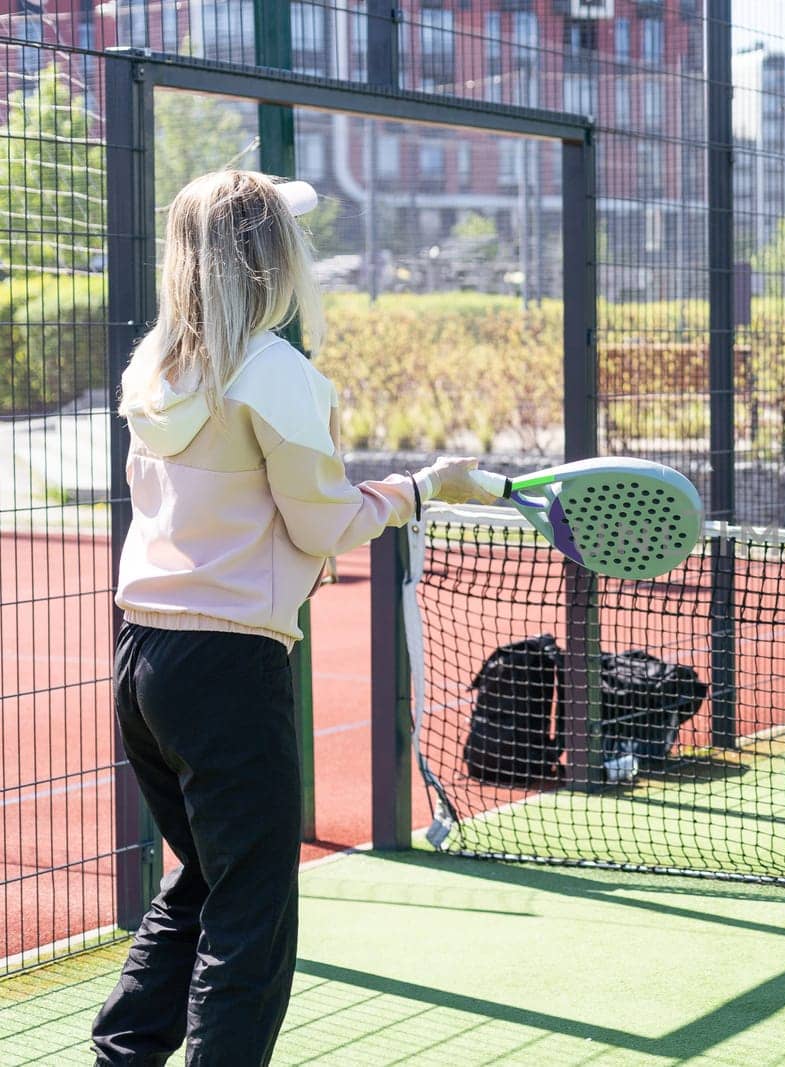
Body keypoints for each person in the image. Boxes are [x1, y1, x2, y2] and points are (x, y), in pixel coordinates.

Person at [92, 170, 492, 1065]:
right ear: (269, 258)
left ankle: (121, 1051)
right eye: (293, 237)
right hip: (230, 667)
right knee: (253, 905)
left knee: (203, 877)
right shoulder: (277, 374)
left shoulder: (154, 364)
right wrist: (421, 488)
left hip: (142, 658)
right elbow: (325, 524)